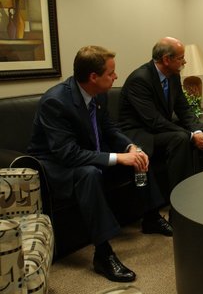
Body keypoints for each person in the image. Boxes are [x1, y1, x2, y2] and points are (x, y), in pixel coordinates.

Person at [27, 46, 173, 283]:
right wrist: (116, 157)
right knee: (89, 174)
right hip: (53, 166)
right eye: (111, 73)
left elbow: (110, 129)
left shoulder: (98, 94)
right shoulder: (55, 102)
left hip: (85, 152)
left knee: (138, 154)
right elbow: (68, 154)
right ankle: (103, 254)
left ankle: (151, 216)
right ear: (93, 77)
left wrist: (129, 148)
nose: (116, 77)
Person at [118, 37, 203, 199]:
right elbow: (153, 120)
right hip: (140, 133)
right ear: (166, 59)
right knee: (180, 138)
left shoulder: (173, 75)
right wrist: (192, 136)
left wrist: (198, 130)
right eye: (181, 58)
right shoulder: (140, 79)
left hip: (159, 129)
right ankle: (182, 199)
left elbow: (184, 108)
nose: (184, 62)